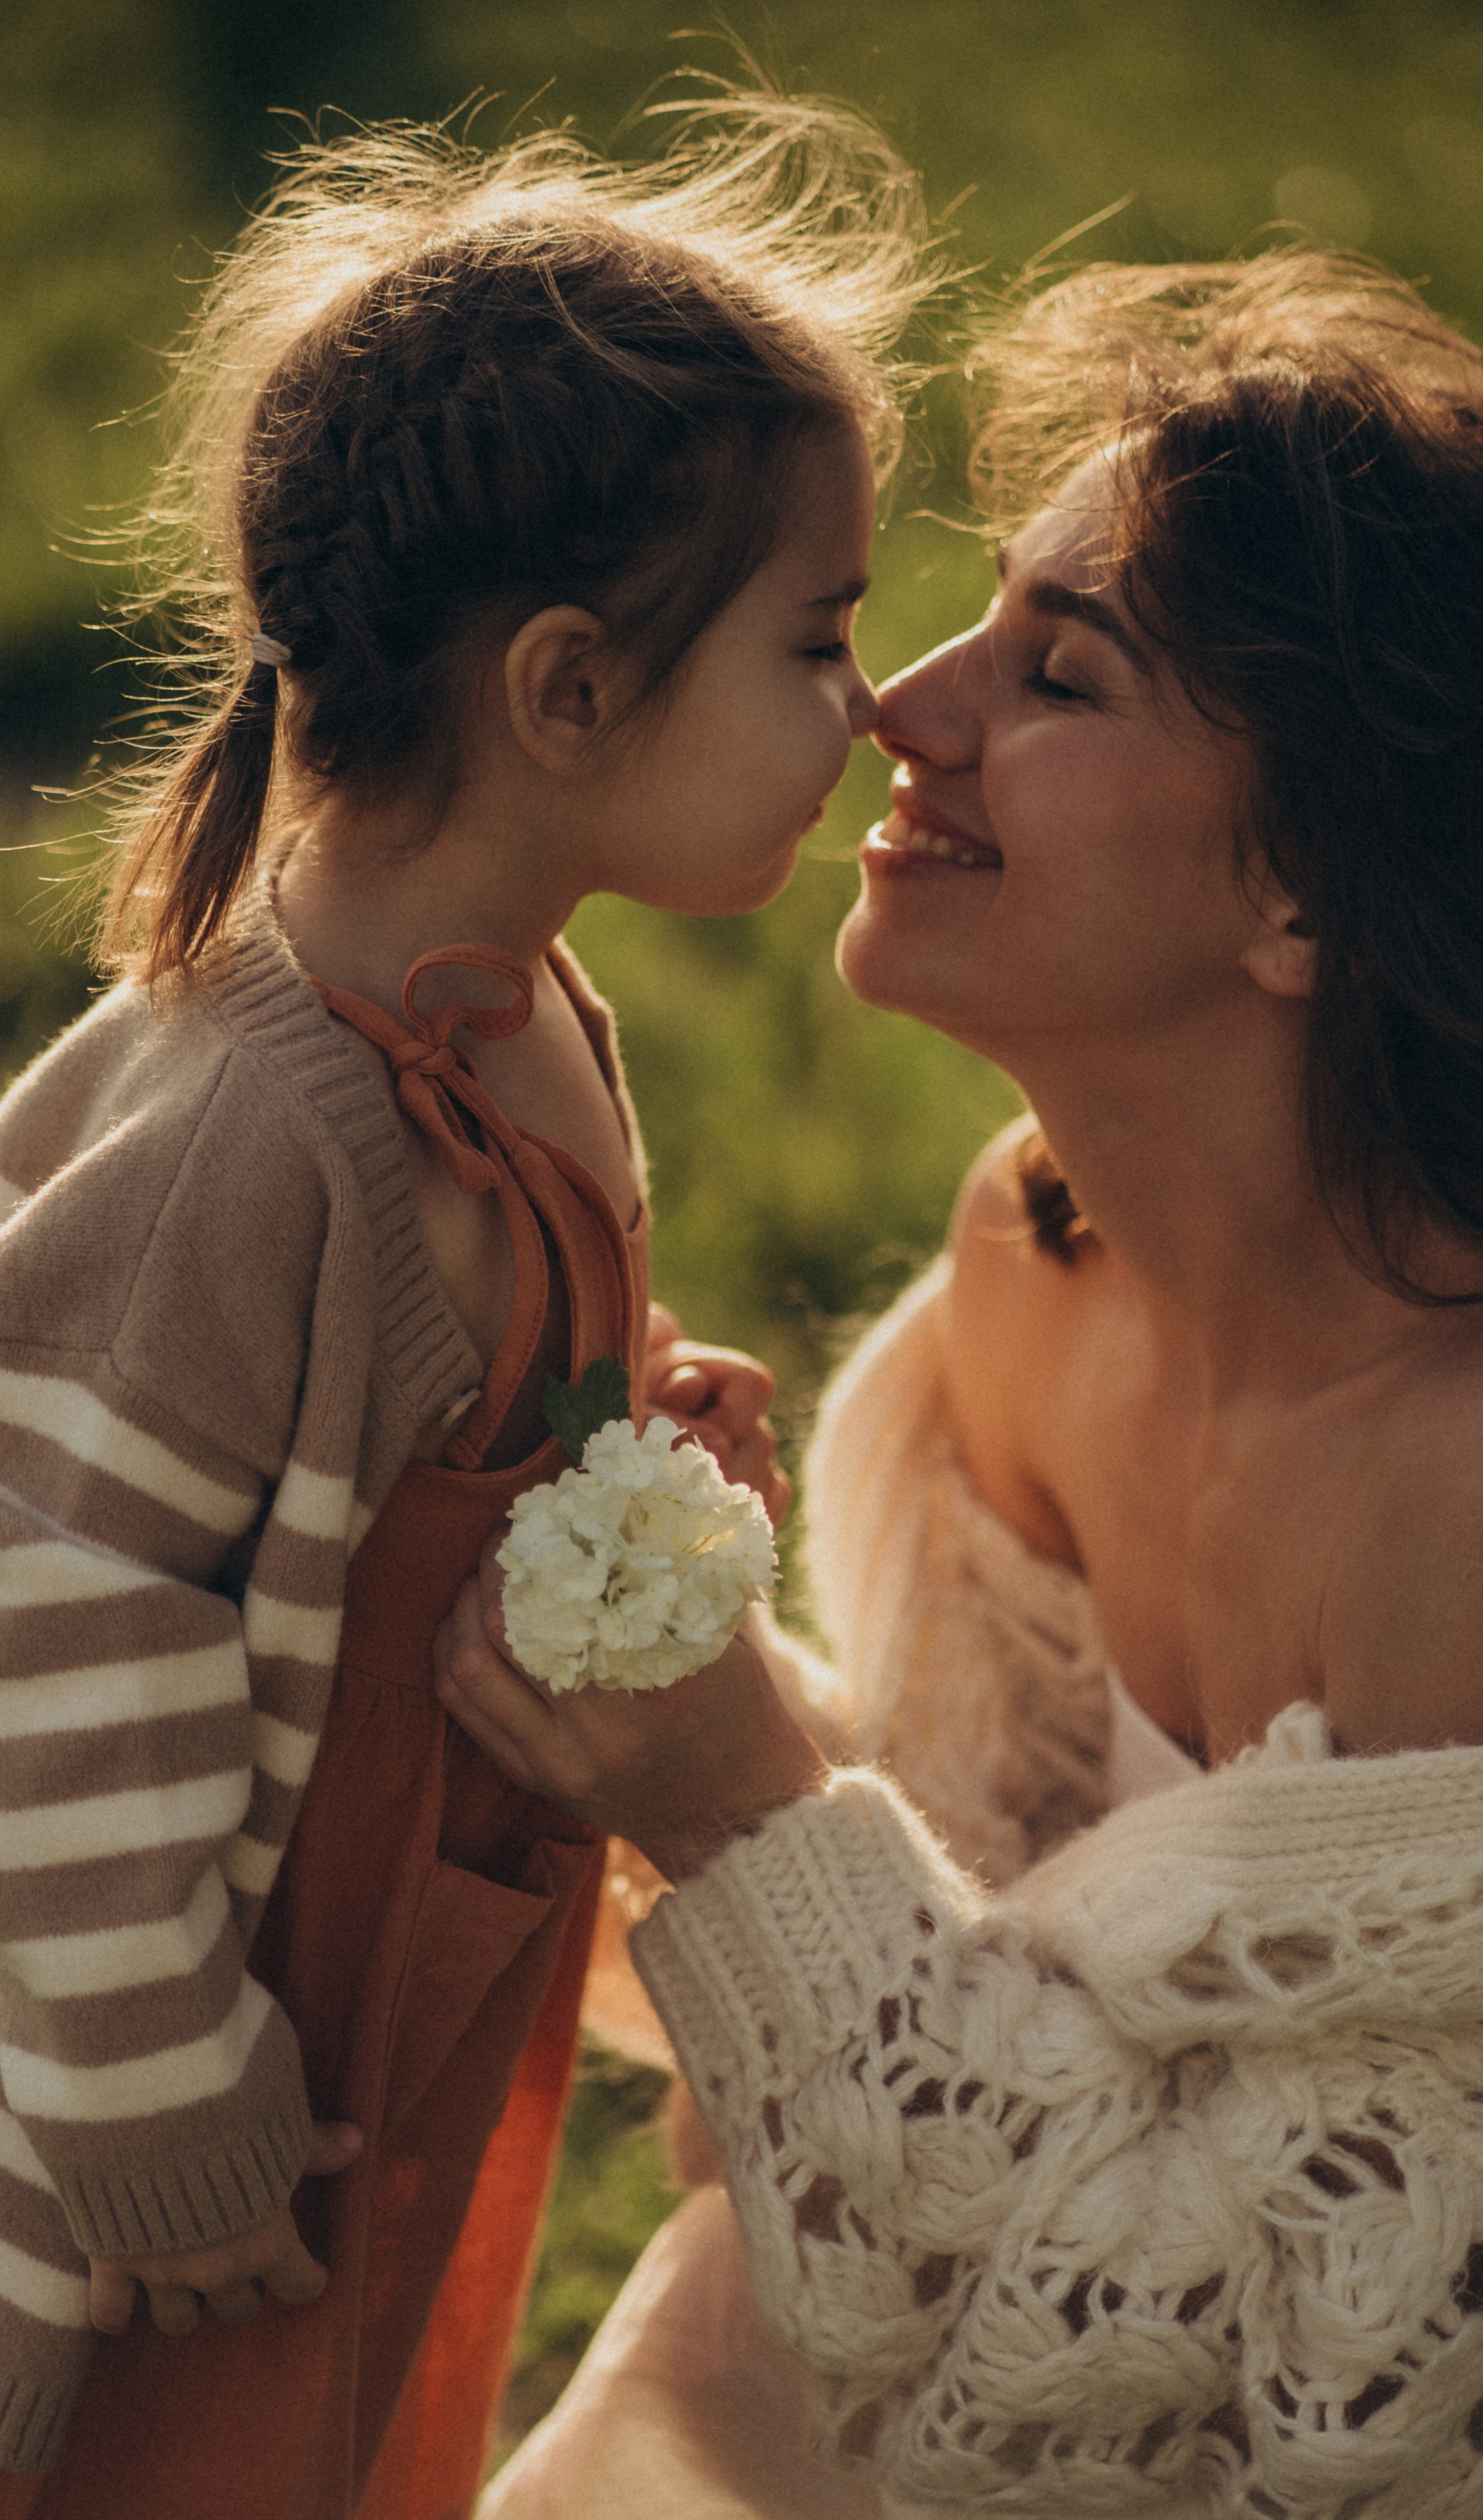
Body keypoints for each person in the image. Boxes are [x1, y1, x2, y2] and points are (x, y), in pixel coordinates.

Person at [440, 252, 1483, 2519]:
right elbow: (988, 1934)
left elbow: (1299, 2406)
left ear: (1309, 891)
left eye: (1061, 672)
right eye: (965, 619)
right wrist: (643, 1629)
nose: (905, 703)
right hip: (927, 2336)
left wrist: (728, 1802)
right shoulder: (1039, 1250)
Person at [0, 95, 927, 2520]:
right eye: (818, 637)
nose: (874, 707)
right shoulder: (251, 1125)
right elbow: (57, 1592)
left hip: (396, 1956)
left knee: (358, 2418)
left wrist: (611, 1438)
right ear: (567, 692)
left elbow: (457, 1408)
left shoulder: (520, 1009)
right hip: (179, 2055)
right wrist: (143, 2088)